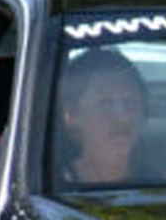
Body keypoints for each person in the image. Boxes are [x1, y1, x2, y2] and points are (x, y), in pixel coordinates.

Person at [53, 47, 150, 187]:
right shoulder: (50, 191)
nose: (123, 118)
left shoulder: (161, 188)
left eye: (130, 103)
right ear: (71, 115)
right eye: (105, 105)